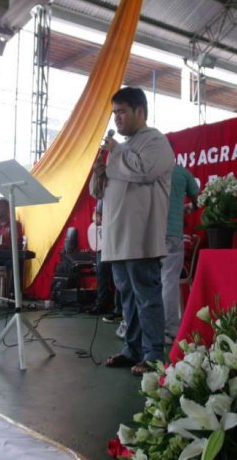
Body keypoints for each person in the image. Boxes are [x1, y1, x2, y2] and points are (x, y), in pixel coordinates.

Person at [90, 86, 174, 376]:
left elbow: (145, 171)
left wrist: (116, 152)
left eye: (122, 111)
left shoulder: (156, 141)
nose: (117, 118)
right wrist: (98, 171)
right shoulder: (119, 149)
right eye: (114, 113)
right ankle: (132, 349)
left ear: (140, 111)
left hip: (140, 237)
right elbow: (97, 192)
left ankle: (153, 354)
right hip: (116, 237)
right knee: (127, 296)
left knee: (146, 297)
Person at [162, 164, 199, 344]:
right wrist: (187, 207)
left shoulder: (152, 169)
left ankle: (149, 329)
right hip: (173, 234)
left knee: (149, 283)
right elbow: (199, 200)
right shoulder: (182, 173)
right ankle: (169, 330)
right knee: (169, 282)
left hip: (149, 233)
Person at [87, 200, 122, 320]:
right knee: (101, 271)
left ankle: (119, 309)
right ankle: (102, 303)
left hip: (118, 239)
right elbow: (95, 214)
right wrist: (97, 218)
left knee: (118, 274)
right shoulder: (102, 198)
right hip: (104, 242)